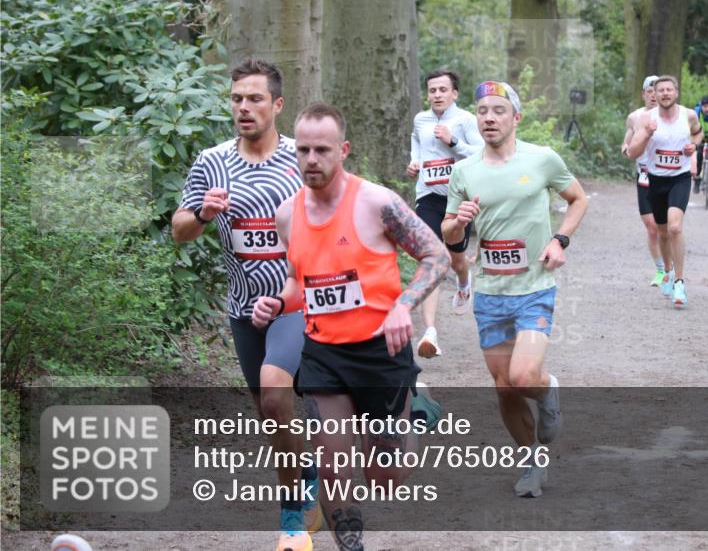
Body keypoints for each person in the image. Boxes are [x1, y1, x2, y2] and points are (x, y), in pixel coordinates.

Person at [251, 103, 449, 551]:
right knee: (333, 462)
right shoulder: (287, 215)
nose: (311, 159)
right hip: (324, 353)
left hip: (382, 349)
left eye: (322, 149)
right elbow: (300, 282)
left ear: (343, 150)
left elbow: (436, 256)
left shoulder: (377, 203)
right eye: (303, 150)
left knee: (387, 479)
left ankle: (417, 409)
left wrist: (403, 305)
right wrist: (277, 302)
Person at [172, 59, 321, 550]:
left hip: (298, 301)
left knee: (276, 393)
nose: (243, 107)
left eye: (254, 98)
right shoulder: (212, 162)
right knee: (271, 411)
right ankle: (307, 474)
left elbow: (339, 215)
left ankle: (292, 516)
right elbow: (179, 231)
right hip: (242, 307)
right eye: (237, 98)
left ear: (277, 105)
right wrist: (201, 212)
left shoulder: (302, 160)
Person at [442, 81, 588, 498]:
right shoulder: (464, 170)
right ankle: (531, 460)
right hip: (490, 290)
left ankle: (548, 391)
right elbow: (449, 231)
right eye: (482, 111)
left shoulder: (541, 159)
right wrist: (459, 221)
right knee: (504, 386)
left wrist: (560, 240)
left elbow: (578, 199)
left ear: (516, 118)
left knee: (525, 376)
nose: (488, 117)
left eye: (498, 110)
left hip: (533, 287)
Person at [405, 70, 484, 359]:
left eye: (442, 90)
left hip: (458, 201)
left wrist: (453, 143)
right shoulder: (420, 119)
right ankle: (430, 332)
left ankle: (464, 282)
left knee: (456, 260)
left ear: (454, 94)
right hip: (428, 196)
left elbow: (480, 153)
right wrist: (415, 162)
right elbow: (417, 141)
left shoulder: (465, 120)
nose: (436, 95)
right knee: (431, 259)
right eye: (432, 90)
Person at [625, 75, 702, 309]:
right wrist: (647, 133)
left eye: (670, 89)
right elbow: (632, 153)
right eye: (661, 91)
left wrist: (694, 145)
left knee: (675, 226)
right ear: (654, 95)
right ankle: (667, 272)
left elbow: (698, 133)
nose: (665, 93)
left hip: (679, 178)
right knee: (662, 232)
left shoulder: (689, 115)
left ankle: (679, 281)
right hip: (656, 179)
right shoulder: (645, 119)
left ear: (676, 93)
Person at [621, 75, 668, 286]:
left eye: (655, 91)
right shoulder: (634, 117)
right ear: (644, 94)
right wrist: (625, 148)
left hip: (667, 175)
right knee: (651, 226)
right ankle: (660, 271)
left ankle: (670, 267)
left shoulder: (669, 116)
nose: (652, 95)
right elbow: (627, 139)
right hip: (644, 175)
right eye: (648, 91)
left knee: (665, 226)